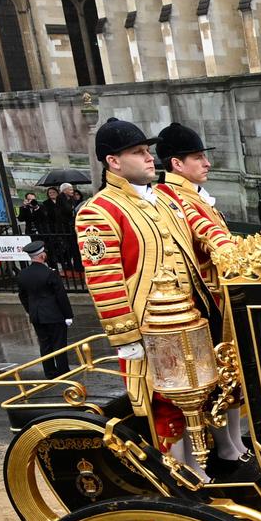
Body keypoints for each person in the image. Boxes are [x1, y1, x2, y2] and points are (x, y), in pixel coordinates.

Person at [72, 120, 208, 426]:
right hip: (149, 327)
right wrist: (126, 337)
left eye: (147, 150)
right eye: (138, 152)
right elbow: (104, 279)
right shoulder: (98, 211)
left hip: (190, 319)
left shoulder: (164, 198)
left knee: (200, 395)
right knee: (164, 405)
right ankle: (179, 469)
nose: (150, 157)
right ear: (114, 161)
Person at [153, 121, 249, 473]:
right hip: (197, 306)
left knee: (231, 379)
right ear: (177, 164)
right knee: (208, 385)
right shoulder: (174, 196)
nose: (206, 163)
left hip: (219, 301)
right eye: (198, 157)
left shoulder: (191, 193)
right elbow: (208, 233)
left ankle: (231, 444)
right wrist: (237, 254)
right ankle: (208, 455)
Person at [15, 240, 74, 378]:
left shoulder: (23, 274)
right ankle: (63, 371)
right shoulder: (50, 273)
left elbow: (22, 296)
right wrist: (68, 315)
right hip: (54, 315)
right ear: (42, 256)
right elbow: (61, 296)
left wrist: (31, 310)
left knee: (45, 344)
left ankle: (50, 372)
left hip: (36, 315)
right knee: (59, 344)